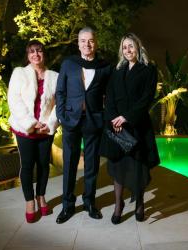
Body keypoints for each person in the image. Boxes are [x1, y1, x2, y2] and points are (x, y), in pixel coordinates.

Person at [100, 33, 160, 224]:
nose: (128, 50)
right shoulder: (116, 70)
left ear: (138, 47)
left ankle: (140, 202)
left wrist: (127, 118)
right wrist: (114, 121)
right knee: (118, 166)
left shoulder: (148, 69)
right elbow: (108, 98)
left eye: (131, 46)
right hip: (117, 127)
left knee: (137, 166)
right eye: (124, 47)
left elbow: (147, 98)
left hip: (137, 125)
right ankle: (119, 205)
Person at [55, 27, 111, 224]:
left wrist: (105, 117)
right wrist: (61, 116)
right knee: (69, 164)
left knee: (92, 165)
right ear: (78, 43)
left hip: (93, 121)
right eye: (83, 41)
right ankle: (67, 205)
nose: (87, 44)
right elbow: (60, 91)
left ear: (96, 43)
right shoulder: (69, 64)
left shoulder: (104, 67)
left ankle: (89, 203)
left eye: (91, 40)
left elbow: (109, 95)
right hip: (71, 120)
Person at [8, 40, 59, 223]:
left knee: (44, 164)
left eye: (39, 51)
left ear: (44, 53)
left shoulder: (55, 76)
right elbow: (14, 100)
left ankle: (41, 196)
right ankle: (30, 201)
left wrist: (50, 122)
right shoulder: (19, 73)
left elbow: (59, 103)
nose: (35, 54)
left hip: (45, 130)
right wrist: (31, 123)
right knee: (28, 165)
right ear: (27, 55)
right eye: (31, 52)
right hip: (25, 129)